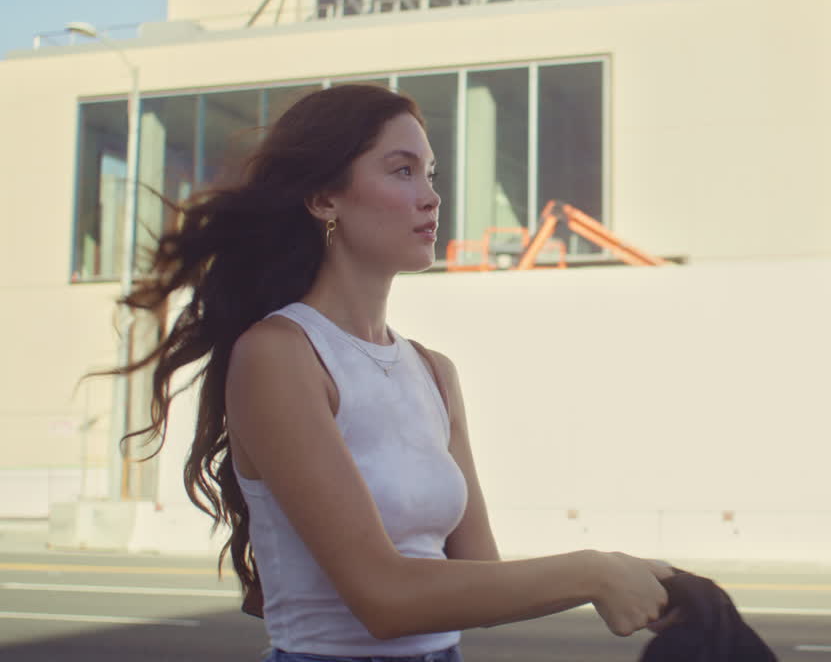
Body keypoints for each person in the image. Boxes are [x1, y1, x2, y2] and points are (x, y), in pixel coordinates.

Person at [111, 84, 677, 661]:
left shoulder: (434, 373)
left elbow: (478, 575)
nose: (431, 198)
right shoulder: (280, 354)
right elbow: (385, 599)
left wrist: (636, 576)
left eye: (430, 174)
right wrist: (593, 573)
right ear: (324, 198)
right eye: (402, 172)